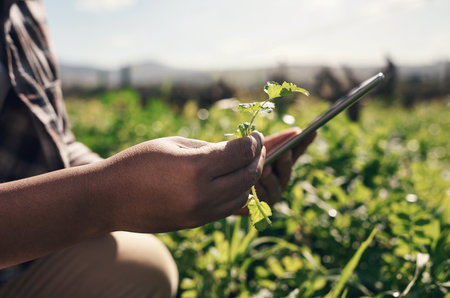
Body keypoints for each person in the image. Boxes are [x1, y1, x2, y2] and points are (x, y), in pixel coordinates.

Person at [0, 1, 315, 297]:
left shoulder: (26, 9)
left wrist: (201, 179)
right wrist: (110, 196)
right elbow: (104, 192)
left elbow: (58, 141)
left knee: (141, 269)